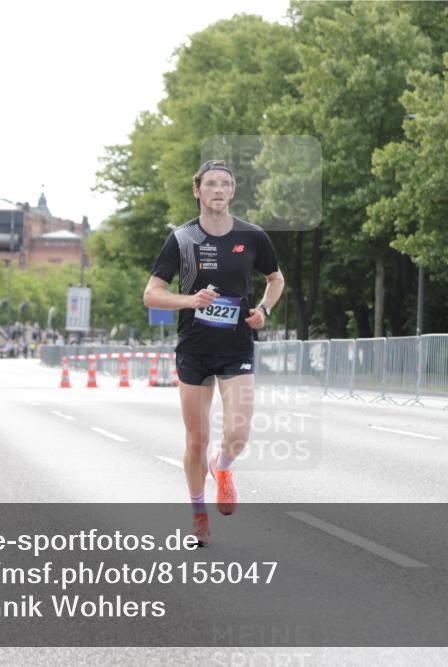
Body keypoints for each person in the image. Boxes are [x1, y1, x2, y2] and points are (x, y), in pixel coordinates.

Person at [143, 159, 285, 547]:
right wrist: (191, 299)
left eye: (225, 184)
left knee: (237, 434)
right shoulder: (182, 239)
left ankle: (223, 470)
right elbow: (151, 292)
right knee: (195, 441)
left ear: (233, 191)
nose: (218, 190)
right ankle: (198, 514)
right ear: (198, 191)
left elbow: (276, 278)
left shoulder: (253, 236)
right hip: (194, 349)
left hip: (237, 345)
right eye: (210, 184)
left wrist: (264, 310)